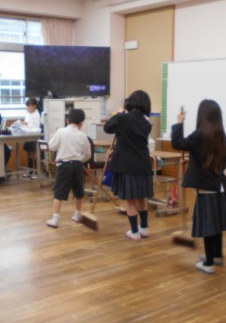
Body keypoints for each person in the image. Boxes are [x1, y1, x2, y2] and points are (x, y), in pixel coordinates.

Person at [171, 100, 226, 274]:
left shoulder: (199, 134)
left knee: (208, 225)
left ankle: (209, 263)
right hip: (219, 185)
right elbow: (209, 157)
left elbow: (178, 143)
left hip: (206, 188)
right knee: (216, 224)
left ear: (201, 116)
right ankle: (217, 256)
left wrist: (179, 122)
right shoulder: (220, 135)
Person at [103, 90, 154, 241]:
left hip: (127, 165)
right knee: (141, 198)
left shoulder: (123, 118)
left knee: (130, 200)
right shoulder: (146, 124)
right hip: (143, 164)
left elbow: (107, 128)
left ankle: (134, 232)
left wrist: (119, 114)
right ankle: (144, 228)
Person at [46, 108, 91, 228]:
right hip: (77, 166)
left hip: (64, 166)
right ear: (81, 123)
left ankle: (55, 219)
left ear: (67, 120)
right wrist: (80, 160)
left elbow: (51, 146)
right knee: (78, 192)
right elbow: (88, 154)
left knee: (59, 193)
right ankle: (77, 215)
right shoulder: (83, 136)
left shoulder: (61, 132)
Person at [20, 97, 41, 180]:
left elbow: (37, 127)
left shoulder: (37, 114)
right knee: (28, 154)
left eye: (30, 106)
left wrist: (27, 124)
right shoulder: (27, 113)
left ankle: (36, 172)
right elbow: (27, 124)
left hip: (33, 137)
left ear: (34, 106)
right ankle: (30, 172)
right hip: (27, 136)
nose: (28, 108)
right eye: (27, 106)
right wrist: (23, 124)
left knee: (34, 155)